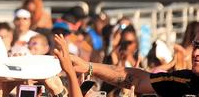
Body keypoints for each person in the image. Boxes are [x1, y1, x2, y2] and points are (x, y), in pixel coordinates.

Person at [69, 37, 199, 96]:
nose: (196, 53)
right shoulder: (185, 79)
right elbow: (137, 79)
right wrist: (89, 67)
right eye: (196, 46)